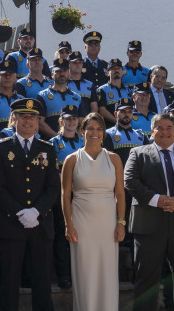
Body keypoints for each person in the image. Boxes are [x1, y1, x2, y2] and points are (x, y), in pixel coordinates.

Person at [123, 112, 174, 311]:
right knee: (146, 281)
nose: (165, 132)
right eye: (160, 128)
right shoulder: (138, 153)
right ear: (152, 131)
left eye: (169, 128)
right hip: (149, 224)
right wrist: (157, 200)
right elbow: (130, 181)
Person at [0, 97, 61, 311]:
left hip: (41, 225)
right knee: (9, 281)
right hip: (12, 225)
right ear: (14, 118)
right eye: (23, 117)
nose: (28, 121)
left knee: (42, 281)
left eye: (33, 117)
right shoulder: (1, 148)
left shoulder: (47, 148)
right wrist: (21, 212)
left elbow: (53, 187)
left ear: (38, 121)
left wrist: (36, 212)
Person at [60, 112, 125, 311]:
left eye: (98, 129)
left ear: (104, 133)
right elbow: (65, 195)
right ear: (82, 132)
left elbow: (120, 194)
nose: (94, 133)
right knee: (85, 272)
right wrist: (68, 225)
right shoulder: (71, 159)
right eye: (90, 129)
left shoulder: (114, 159)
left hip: (107, 223)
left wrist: (121, 222)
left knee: (107, 272)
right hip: (81, 222)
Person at [49, 105, 84, 290]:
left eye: (74, 119)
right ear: (61, 121)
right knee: (63, 236)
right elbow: (51, 171)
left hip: (82, 196)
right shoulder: (52, 143)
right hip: (61, 195)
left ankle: (81, 274)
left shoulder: (85, 142)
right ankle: (64, 275)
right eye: (67, 119)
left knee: (83, 235)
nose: (71, 122)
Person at [37, 59, 80, 139]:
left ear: (69, 74)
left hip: (73, 144)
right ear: (52, 74)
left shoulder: (77, 98)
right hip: (49, 143)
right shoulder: (42, 96)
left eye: (64, 71)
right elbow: (39, 122)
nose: (61, 74)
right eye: (58, 71)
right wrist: (58, 138)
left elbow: (82, 122)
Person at [105, 98, 149, 164]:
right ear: (115, 114)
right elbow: (108, 162)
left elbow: (147, 161)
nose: (127, 115)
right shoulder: (108, 134)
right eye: (123, 111)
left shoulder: (142, 136)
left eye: (130, 112)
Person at [93, 58, 130, 124]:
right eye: (113, 69)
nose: (116, 70)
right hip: (110, 127)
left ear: (122, 72)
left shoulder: (128, 90)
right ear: (107, 73)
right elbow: (102, 110)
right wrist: (118, 123)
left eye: (118, 68)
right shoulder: (102, 90)